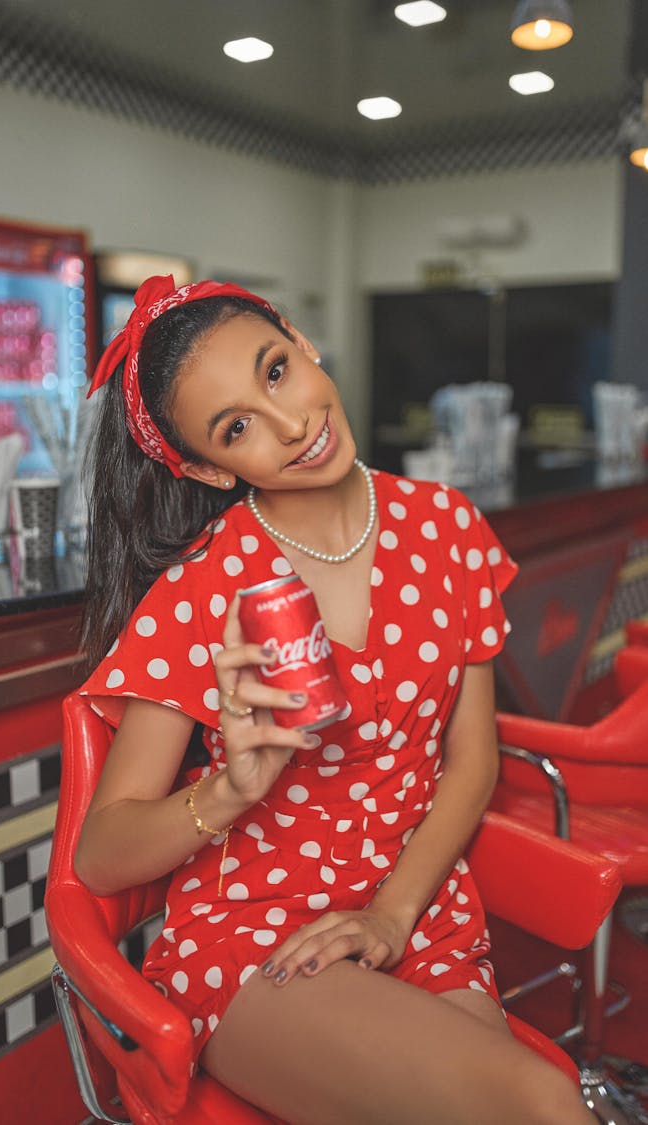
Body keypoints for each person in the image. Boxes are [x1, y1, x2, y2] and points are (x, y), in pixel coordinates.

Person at [74, 274, 593, 1125]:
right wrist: (229, 788)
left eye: (276, 371)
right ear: (209, 466)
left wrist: (391, 914)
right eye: (236, 426)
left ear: (302, 341)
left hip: (419, 910)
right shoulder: (205, 591)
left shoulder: (448, 527)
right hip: (255, 936)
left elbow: (472, 760)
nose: (291, 425)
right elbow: (101, 854)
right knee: (540, 1099)